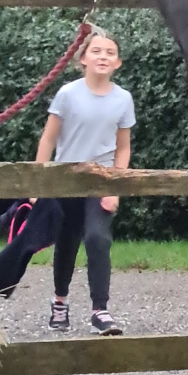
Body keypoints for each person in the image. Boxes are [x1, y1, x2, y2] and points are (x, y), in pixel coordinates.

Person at [33, 31, 135, 335]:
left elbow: (124, 147)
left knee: (97, 238)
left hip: (101, 178)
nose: (103, 56)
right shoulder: (67, 93)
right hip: (66, 181)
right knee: (67, 242)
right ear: (83, 59)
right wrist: (39, 184)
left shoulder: (123, 99)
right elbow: (49, 139)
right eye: (97, 51)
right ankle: (60, 303)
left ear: (118, 62)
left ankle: (100, 310)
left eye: (110, 52)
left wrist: (115, 187)